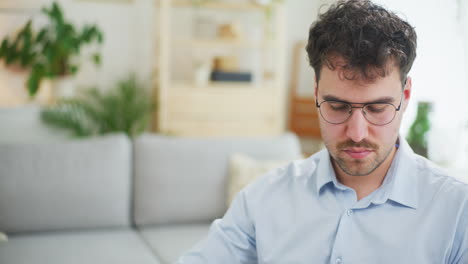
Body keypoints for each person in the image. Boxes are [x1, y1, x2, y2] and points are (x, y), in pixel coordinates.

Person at [177, 0, 468, 263]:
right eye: (338, 106)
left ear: (405, 97)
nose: (356, 132)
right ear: (316, 93)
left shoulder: (456, 211)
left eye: (378, 108)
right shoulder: (262, 199)